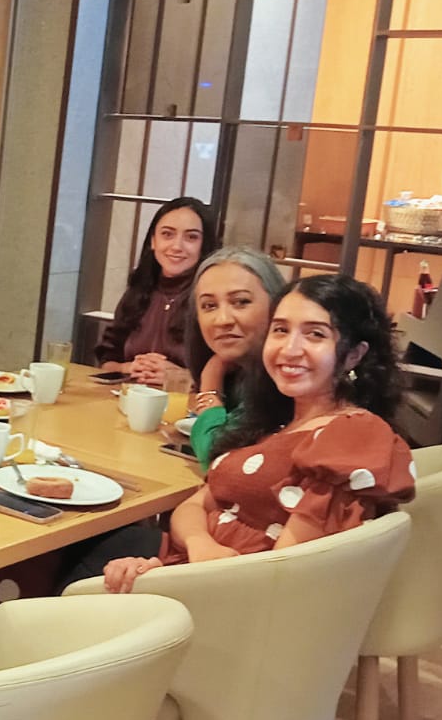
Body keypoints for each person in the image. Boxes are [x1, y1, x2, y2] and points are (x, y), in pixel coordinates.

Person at [65, 274, 415, 593]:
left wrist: (168, 577)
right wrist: (200, 545)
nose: (289, 349)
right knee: (71, 549)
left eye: (315, 334)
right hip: (194, 564)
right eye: (280, 330)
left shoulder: (350, 436)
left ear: (354, 355)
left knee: (59, 568)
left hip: (223, 598)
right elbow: (195, 504)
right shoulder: (276, 419)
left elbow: (280, 576)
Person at [96, 197, 218, 391]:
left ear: (204, 245)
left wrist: (182, 378)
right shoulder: (138, 291)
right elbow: (107, 360)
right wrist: (130, 368)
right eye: (167, 234)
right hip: (128, 400)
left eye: (191, 237)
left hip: (188, 407)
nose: (177, 246)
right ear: (153, 240)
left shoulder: (214, 299)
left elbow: (232, 374)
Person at [183, 246, 285, 463]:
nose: (223, 320)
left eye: (241, 302)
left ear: (277, 305)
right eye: (209, 306)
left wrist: (210, 386)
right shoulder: (236, 373)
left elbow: (217, 456)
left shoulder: (289, 380)